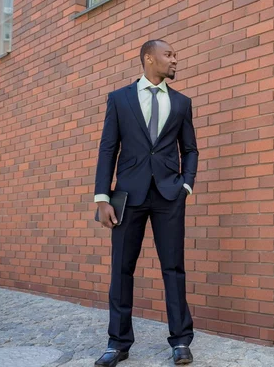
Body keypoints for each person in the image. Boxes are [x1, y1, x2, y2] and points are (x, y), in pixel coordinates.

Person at [93, 39, 198, 366]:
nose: (174, 60)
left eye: (175, 55)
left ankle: (180, 341)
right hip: (127, 195)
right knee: (121, 269)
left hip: (169, 195)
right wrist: (102, 198)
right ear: (149, 59)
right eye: (169, 54)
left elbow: (190, 149)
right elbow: (108, 149)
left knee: (174, 269)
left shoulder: (182, 103)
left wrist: (186, 186)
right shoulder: (119, 99)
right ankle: (118, 342)